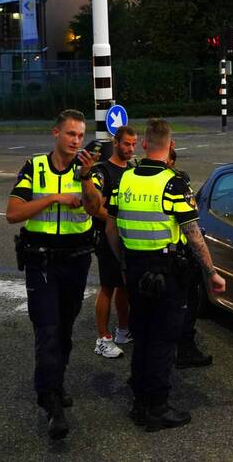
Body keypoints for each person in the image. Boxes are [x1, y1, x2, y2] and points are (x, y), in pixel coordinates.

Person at [104, 119, 226, 432]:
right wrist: (211, 272)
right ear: (170, 146)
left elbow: (111, 229)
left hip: (134, 269)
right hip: (165, 274)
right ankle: (157, 407)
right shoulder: (173, 184)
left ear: (144, 144)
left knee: (141, 334)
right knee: (162, 341)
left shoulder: (125, 179)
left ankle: (139, 402)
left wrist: (124, 262)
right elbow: (194, 234)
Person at [5, 109, 103, 440]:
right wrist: (54, 198)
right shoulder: (34, 167)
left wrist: (87, 178)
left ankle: (55, 385)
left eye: (80, 134)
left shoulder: (88, 167)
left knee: (63, 331)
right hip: (42, 262)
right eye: (70, 134)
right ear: (56, 134)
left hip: (76, 262)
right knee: (46, 330)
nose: (76, 140)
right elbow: (13, 213)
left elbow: (94, 208)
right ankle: (51, 405)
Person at [91, 125, 138, 359]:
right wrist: (114, 218)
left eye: (134, 144)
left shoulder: (131, 171)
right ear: (116, 143)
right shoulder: (102, 171)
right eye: (126, 144)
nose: (131, 148)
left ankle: (122, 331)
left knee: (124, 285)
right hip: (106, 238)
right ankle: (103, 338)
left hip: (125, 238)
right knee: (108, 287)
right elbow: (94, 207)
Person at [166, 147, 214, 368]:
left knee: (186, 307)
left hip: (171, 258)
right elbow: (191, 229)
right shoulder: (175, 184)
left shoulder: (178, 180)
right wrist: (211, 271)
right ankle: (179, 351)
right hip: (170, 260)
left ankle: (181, 349)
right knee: (178, 309)